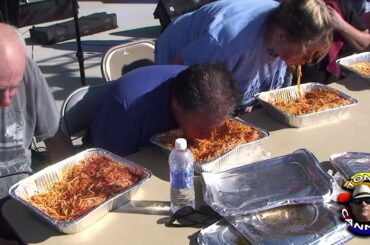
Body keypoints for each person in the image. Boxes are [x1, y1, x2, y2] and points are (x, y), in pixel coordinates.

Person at [155, 0, 333, 109]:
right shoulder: (228, 43)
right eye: (308, 52)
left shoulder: (283, 30)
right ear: (281, 36)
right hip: (179, 55)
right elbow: (178, 73)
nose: (309, 60)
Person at [0, 23, 73, 239]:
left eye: (15, 86)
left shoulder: (25, 67)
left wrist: (70, 194)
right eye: (0, 89)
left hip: (27, 192)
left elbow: (55, 139)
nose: (7, 100)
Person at [91, 63, 240, 157]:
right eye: (201, 129)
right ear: (177, 104)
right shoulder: (126, 109)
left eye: (215, 129)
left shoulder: (202, 87)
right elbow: (110, 164)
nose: (207, 139)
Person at [301, 0, 370, 83]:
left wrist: (341, 25)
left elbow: (366, 44)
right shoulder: (299, 7)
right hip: (302, 78)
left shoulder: (340, 4)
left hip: (336, 79)